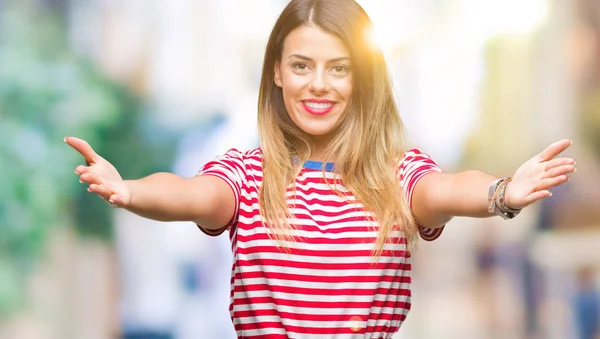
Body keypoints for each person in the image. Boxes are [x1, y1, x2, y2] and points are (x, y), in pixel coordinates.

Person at [65, 0, 577, 337]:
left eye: (339, 68)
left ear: (363, 78)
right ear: (277, 72)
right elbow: (192, 194)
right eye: (302, 65)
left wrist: (502, 192)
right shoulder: (247, 176)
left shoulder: (395, 177)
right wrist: (129, 191)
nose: (318, 85)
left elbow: (443, 190)